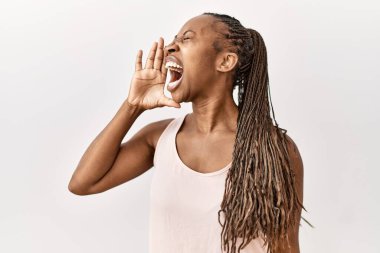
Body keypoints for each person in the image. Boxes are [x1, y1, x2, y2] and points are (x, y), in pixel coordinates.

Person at [68, 12, 311, 253]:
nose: (170, 47)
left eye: (186, 39)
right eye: (174, 40)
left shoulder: (273, 148)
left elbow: (285, 247)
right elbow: (83, 184)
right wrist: (133, 106)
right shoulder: (159, 137)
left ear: (225, 62)